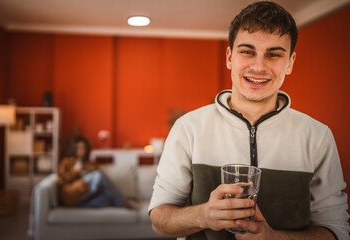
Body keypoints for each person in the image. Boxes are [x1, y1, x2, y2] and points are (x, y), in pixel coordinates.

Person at [148, 1, 349, 240]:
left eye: (274, 54)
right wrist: (205, 215)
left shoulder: (318, 136)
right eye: (247, 51)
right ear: (230, 57)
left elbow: (337, 230)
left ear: (290, 63)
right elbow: (159, 220)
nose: (259, 66)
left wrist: (276, 238)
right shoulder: (188, 128)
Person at [57, 136, 127, 208]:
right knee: (98, 175)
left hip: (87, 195)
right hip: (73, 194)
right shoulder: (66, 162)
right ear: (74, 149)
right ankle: (123, 202)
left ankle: (80, 205)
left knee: (108, 200)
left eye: (83, 147)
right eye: (78, 148)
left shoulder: (91, 163)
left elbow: (103, 182)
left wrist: (90, 169)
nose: (81, 150)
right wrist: (75, 170)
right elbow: (61, 181)